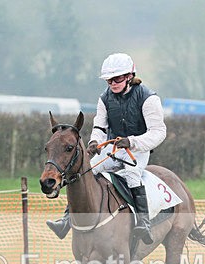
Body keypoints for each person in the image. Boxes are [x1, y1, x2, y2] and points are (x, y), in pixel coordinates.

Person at [46, 52, 166, 244]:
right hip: (113, 149)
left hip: (138, 150)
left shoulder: (148, 98)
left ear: (129, 76)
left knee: (132, 175)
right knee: (86, 171)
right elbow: (100, 127)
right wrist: (95, 141)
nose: (112, 83)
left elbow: (158, 132)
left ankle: (143, 222)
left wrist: (132, 142)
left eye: (117, 79)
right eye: (109, 80)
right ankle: (66, 220)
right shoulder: (104, 98)